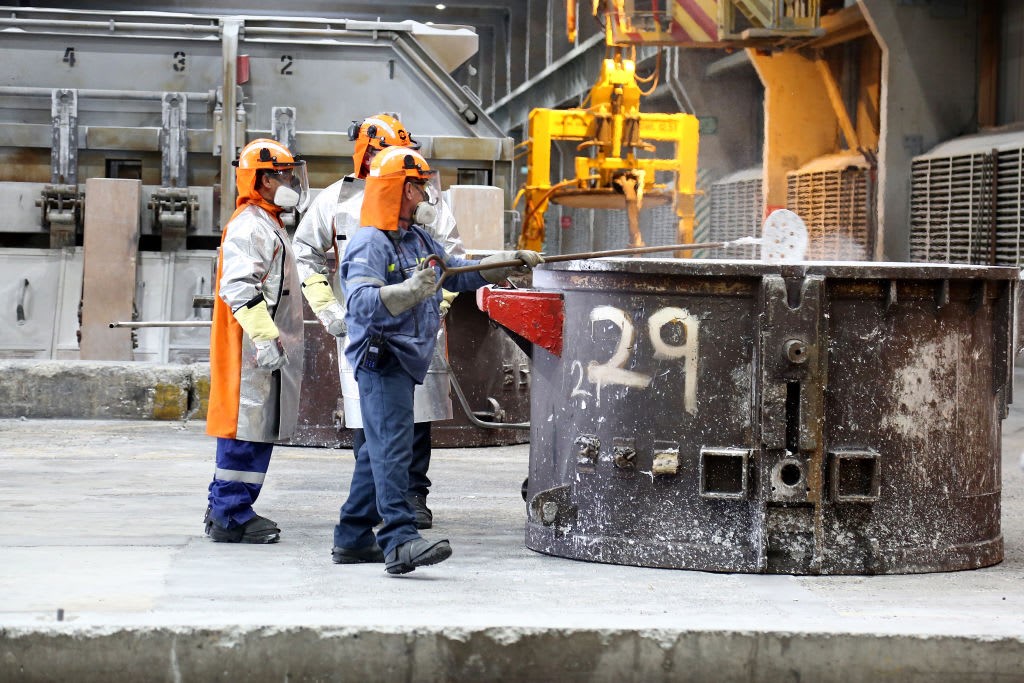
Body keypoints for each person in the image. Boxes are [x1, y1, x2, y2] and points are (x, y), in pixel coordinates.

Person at [335, 146, 542, 573]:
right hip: (383, 359)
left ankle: (353, 537)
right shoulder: (369, 243)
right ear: (402, 189)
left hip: (405, 357)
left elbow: (456, 271)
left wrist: (504, 264)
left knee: (378, 452)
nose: (428, 194)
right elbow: (360, 302)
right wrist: (410, 291)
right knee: (392, 450)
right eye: (421, 186)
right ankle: (399, 540)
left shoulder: (417, 238)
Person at [293, 114, 462, 538]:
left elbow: (453, 262)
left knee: (406, 425)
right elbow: (310, 256)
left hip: (417, 332)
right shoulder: (341, 206)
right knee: (376, 432)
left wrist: (442, 298)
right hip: (372, 335)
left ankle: (394, 507)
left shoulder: (421, 224)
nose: (422, 191)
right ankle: (396, 531)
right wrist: (330, 311)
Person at [203, 138, 310, 544]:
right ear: (263, 180)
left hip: (263, 347)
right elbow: (238, 287)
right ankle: (229, 515)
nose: (290, 182)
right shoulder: (250, 225)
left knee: (255, 429)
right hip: (250, 348)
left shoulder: (267, 222)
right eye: (283, 175)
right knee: (242, 429)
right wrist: (266, 338)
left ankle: (227, 508)